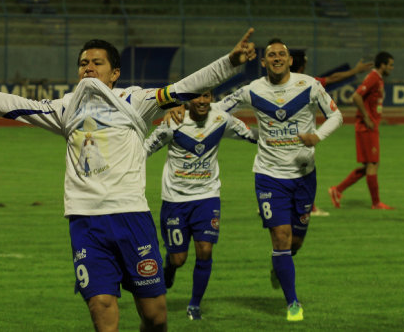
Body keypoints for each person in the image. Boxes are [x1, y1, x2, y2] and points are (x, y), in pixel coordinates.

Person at [0, 30, 256, 332]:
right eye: (83, 63)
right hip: (86, 222)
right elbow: (14, 105)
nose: (88, 67)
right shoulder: (66, 107)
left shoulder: (135, 101)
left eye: (96, 62)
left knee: (155, 317)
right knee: (102, 308)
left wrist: (230, 62)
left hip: (131, 217)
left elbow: (185, 86)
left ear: (114, 73)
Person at [215, 38, 343, 321]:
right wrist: (242, 130)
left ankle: (280, 264)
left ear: (289, 60)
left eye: (281, 54)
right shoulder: (252, 90)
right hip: (269, 177)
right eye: (270, 54)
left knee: (295, 242)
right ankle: (293, 303)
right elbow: (217, 109)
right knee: (281, 238)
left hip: (304, 176)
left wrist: (317, 136)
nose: (276, 58)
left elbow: (336, 115)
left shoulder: (309, 85)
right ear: (263, 62)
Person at [144, 91, 257, 321]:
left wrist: (279, 137)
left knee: (205, 250)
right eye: (197, 97)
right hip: (175, 199)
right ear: (187, 100)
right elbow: (145, 148)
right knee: (179, 259)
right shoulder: (172, 123)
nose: (203, 102)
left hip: (207, 196)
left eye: (206, 96)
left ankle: (194, 305)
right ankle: (171, 267)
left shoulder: (221, 119)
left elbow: (250, 135)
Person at [290, 49, 373, 216]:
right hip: (303, 135)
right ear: (303, 64)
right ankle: (310, 207)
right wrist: (355, 71)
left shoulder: (275, 83)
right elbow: (333, 79)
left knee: (282, 168)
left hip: (279, 133)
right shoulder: (308, 83)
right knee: (305, 170)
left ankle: (273, 202)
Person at [328, 51, 394, 210]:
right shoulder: (373, 77)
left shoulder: (378, 79)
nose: (392, 68)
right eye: (390, 65)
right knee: (372, 164)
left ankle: (337, 190)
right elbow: (356, 96)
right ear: (383, 65)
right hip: (366, 128)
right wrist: (367, 118)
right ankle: (376, 203)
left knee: (370, 166)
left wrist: (376, 117)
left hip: (370, 126)